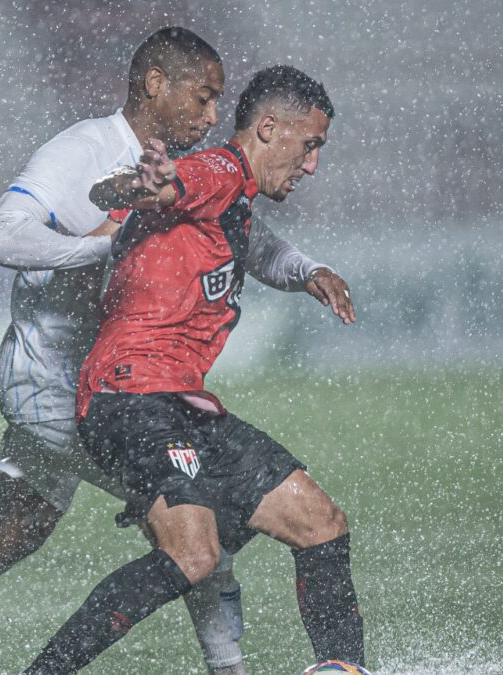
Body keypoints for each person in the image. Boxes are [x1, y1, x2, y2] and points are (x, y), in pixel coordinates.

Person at [0, 28, 343, 675]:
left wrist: (305, 269)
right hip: (55, 375)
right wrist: (103, 247)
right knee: (196, 521)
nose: (214, 115)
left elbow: (245, 236)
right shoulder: (86, 149)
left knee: (18, 529)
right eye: (203, 97)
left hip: (96, 380)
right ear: (156, 84)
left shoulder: (185, 170)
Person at [21, 64, 362, 674]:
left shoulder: (236, 200)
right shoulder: (221, 171)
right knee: (193, 555)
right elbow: (179, 183)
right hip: (130, 396)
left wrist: (310, 271)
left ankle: (343, 669)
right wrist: (148, 184)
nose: (311, 165)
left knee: (321, 523)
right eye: (309, 145)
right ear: (268, 129)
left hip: (179, 402)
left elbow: (252, 241)